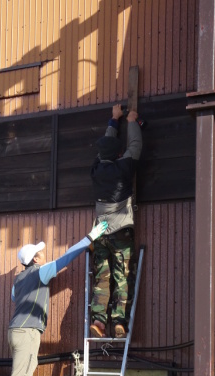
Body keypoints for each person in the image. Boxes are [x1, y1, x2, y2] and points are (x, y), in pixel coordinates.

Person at [0, 221, 108, 376]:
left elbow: (14, 297)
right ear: (35, 260)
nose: (43, 254)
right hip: (27, 331)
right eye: (40, 253)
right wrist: (89, 238)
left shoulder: (18, 280)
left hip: (17, 330)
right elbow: (65, 258)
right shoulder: (39, 272)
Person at [89, 103, 143, 339]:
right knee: (122, 276)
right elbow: (135, 146)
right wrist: (131, 122)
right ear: (118, 154)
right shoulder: (124, 168)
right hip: (120, 231)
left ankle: (99, 322)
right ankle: (119, 322)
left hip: (100, 232)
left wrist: (114, 120)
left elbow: (105, 150)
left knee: (102, 277)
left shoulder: (96, 170)